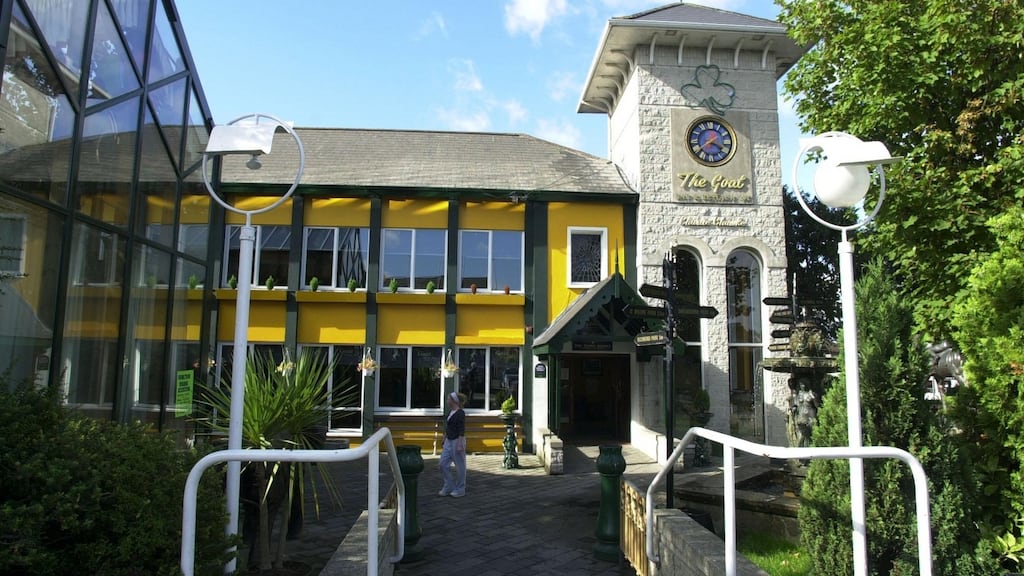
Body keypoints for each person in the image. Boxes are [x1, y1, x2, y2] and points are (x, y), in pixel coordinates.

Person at [438, 391, 467, 497]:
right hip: (448, 440)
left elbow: (461, 430)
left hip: (457, 441)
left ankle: (460, 489)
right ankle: (449, 485)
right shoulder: (450, 412)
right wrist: (444, 438)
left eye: (448, 399)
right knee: (442, 464)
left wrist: (460, 444)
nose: (447, 401)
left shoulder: (460, 413)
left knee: (460, 466)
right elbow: (448, 427)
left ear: (454, 401)